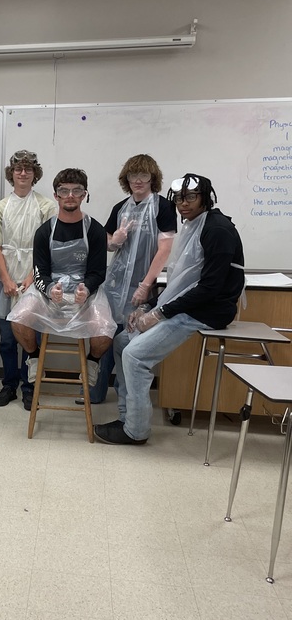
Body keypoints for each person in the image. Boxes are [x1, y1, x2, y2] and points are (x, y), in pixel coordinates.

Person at [95, 173, 245, 446]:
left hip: (207, 312)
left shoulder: (217, 229)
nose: (183, 204)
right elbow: (181, 281)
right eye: (179, 198)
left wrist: (159, 314)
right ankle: (127, 417)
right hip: (189, 305)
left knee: (135, 356)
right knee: (121, 342)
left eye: (190, 197)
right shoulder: (194, 226)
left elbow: (208, 289)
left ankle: (135, 431)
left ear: (206, 198)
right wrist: (149, 306)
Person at [8, 167, 116, 386]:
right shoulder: (44, 231)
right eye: (64, 190)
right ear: (55, 195)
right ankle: (34, 357)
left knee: (106, 330)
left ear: (84, 195)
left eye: (76, 191)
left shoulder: (94, 230)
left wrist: (86, 289)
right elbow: (40, 272)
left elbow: (98, 272)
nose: (70, 196)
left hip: (85, 291)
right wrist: (49, 289)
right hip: (51, 289)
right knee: (18, 319)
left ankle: (93, 362)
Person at [85, 155, 177, 405]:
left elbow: (165, 249)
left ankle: (127, 398)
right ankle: (95, 392)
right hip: (114, 286)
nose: (138, 180)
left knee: (129, 340)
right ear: (126, 179)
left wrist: (146, 285)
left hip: (142, 285)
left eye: (144, 175)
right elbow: (107, 242)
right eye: (133, 176)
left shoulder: (163, 207)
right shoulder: (121, 208)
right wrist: (114, 240)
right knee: (103, 335)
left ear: (152, 178)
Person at [0, 149, 57, 410]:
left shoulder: (46, 207)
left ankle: (30, 386)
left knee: (30, 338)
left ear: (34, 173)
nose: (23, 173)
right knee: (7, 338)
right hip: (5, 278)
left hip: (34, 280)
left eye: (28, 169)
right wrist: (6, 279)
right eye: (18, 169)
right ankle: (9, 384)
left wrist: (31, 278)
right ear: (12, 173)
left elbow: (47, 248)